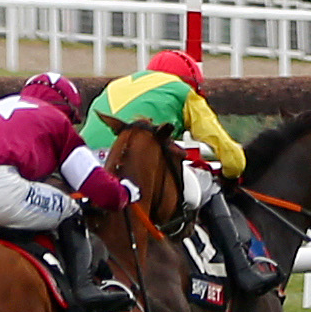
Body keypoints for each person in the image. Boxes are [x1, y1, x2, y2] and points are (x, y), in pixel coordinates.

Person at [0, 74, 138, 312]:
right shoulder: (56, 120)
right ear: (66, 108)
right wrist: (124, 192)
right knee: (69, 209)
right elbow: (100, 189)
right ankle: (84, 289)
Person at [87, 46, 263, 295]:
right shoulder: (182, 91)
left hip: (88, 165)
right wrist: (231, 176)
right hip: (132, 167)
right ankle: (243, 271)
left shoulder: (115, 86)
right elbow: (232, 158)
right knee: (207, 185)